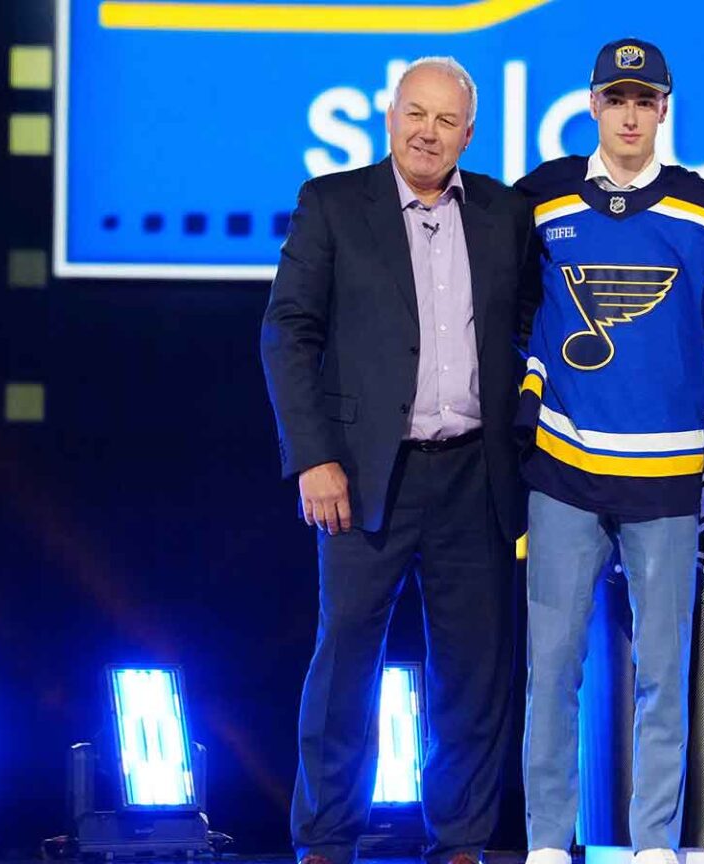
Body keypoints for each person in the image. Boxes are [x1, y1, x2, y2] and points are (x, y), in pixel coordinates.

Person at [259, 56, 537, 864]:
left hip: (476, 477)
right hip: (362, 474)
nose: (427, 132)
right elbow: (287, 334)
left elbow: (529, 328)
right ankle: (326, 839)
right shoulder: (332, 204)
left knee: (474, 673)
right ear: (390, 117)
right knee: (345, 662)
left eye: (446, 120)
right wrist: (314, 457)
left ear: (469, 134)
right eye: (415, 113)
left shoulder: (503, 213)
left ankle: (460, 842)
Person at [513, 38, 704, 864]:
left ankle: (653, 844)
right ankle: (547, 840)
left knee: (663, 673)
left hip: (667, 476)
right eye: (617, 99)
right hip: (564, 470)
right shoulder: (540, 198)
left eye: (645, 101)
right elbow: (514, 310)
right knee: (552, 666)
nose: (630, 115)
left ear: (665, 109)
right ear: (593, 105)